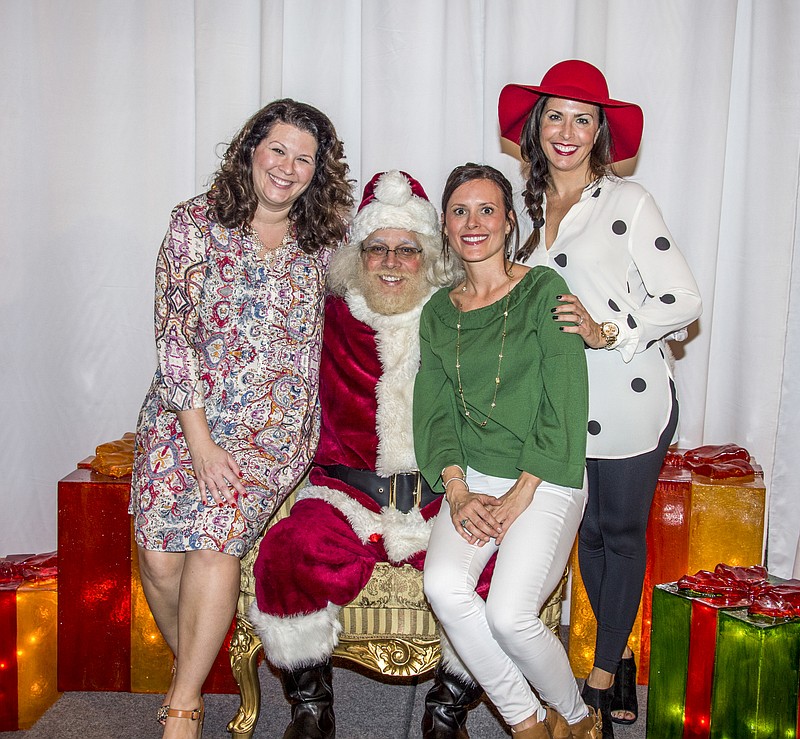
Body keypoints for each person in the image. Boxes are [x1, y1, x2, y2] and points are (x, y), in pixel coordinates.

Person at [130, 98, 353, 739]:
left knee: (214, 534)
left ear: (319, 172)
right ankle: (192, 672)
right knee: (158, 558)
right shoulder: (194, 223)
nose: (288, 167)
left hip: (272, 428)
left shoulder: (325, 241)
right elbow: (173, 337)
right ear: (251, 150)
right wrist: (197, 441)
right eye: (278, 150)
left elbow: (391, 276)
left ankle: (184, 708)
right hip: (183, 413)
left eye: (305, 159)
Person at [498, 60, 703, 737]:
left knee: (619, 531)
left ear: (599, 134)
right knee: (587, 531)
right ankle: (616, 647)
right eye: (555, 115)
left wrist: (607, 328)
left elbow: (684, 300)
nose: (567, 130)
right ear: (537, 127)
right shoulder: (531, 211)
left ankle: (604, 677)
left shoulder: (629, 201)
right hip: (566, 406)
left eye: (582, 118)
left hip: (630, 396)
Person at [250, 170, 488, 739]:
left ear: (430, 256)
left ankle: (447, 709)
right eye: (376, 247)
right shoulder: (326, 315)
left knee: (496, 563)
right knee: (290, 551)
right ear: (356, 256)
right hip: (346, 490)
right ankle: (311, 707)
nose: (390, 261)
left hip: (438, 492)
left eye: (407, 250)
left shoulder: (458, 315)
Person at [413, 163, 600, 739]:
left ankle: (575, 716)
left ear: (510, 221)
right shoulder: (438, 313)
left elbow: (565, 403)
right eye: (460, 211)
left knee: (511, 617)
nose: (474, 223)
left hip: (546, 475)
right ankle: (527, 721)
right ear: (445, 226)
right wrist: (460, 489)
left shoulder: (546, 290)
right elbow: (435, 410)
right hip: (473, 477)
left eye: (487, 209)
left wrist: (521, 493)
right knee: (442, 586)